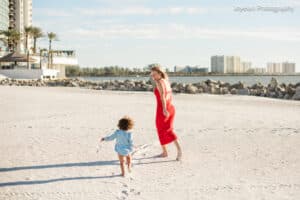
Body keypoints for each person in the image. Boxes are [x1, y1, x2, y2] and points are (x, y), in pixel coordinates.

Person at [150, 65, 182, 161]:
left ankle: (178, 150)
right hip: (170, 107)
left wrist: (164, 109)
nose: (153, 76)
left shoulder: (159, 82)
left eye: (154, 74)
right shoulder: (166, 81)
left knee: (165, 130)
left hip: (163, 109)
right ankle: (165, 152)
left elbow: (162, 96)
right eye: (152, 74)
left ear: (160, 73)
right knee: (165, 129)